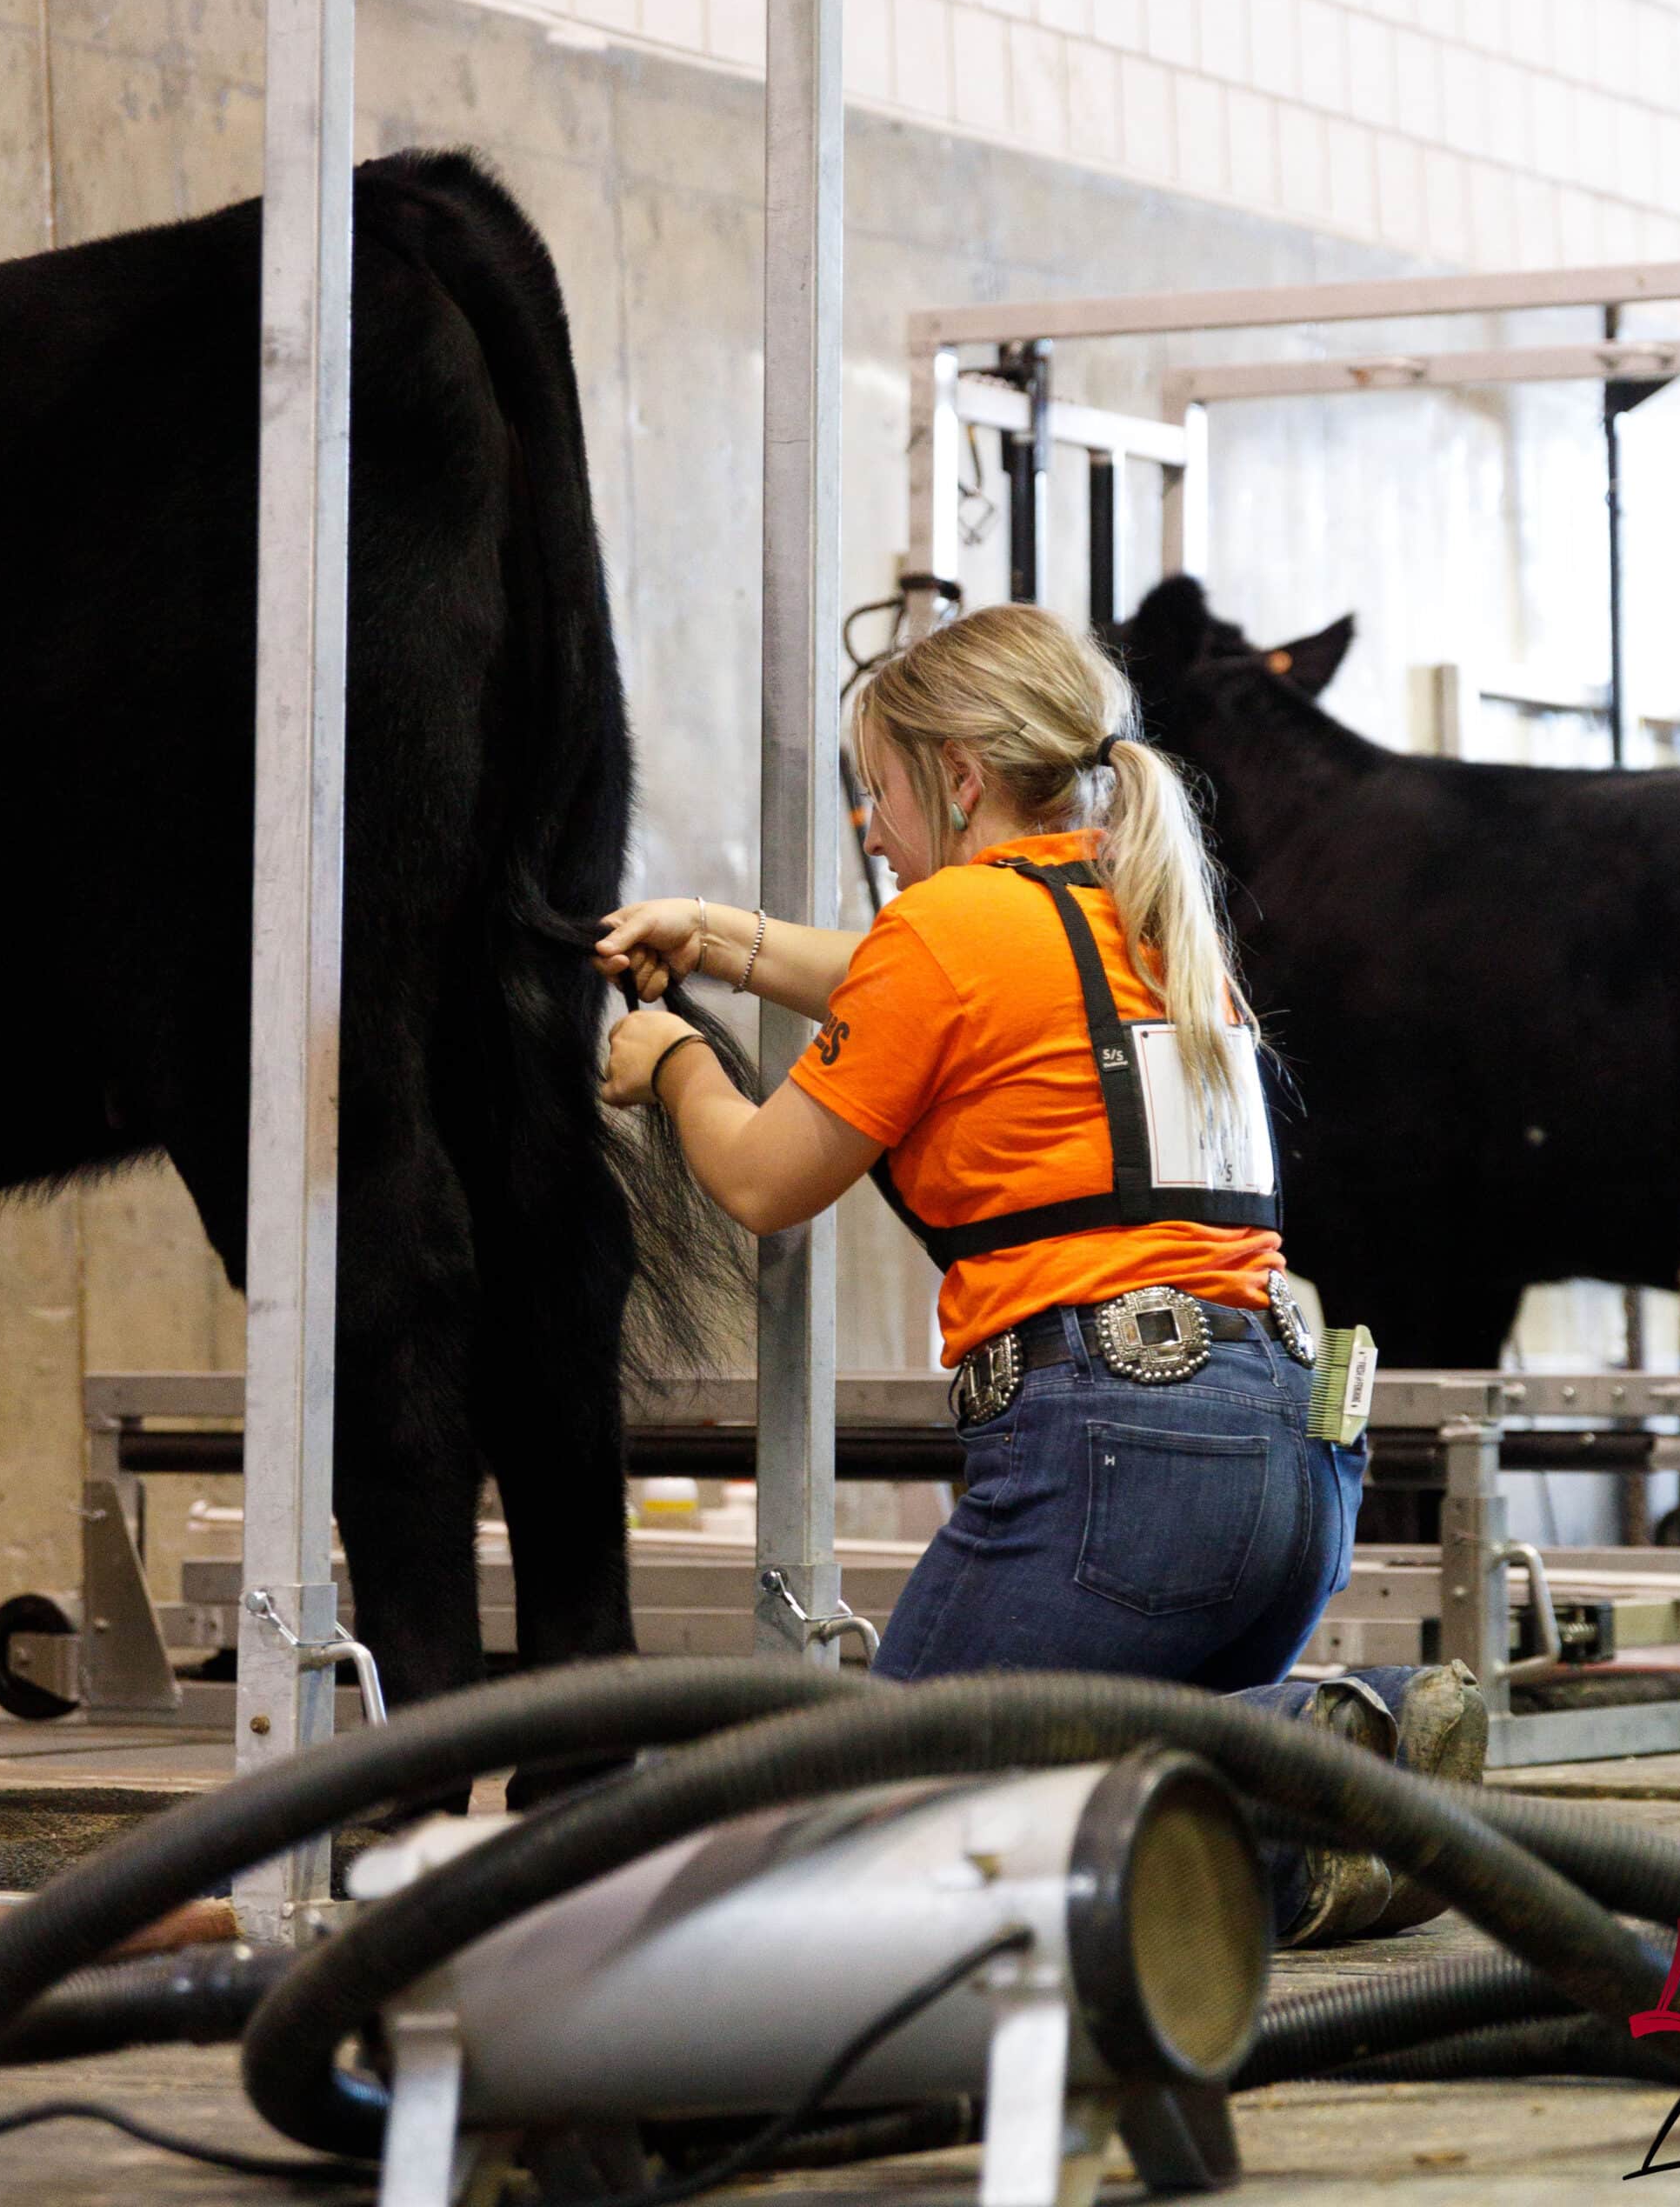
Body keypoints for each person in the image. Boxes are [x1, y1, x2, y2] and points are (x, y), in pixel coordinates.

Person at [596, 602, 1483, 1944]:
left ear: (958, 777)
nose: (872, 830)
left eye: (880, 792)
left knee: (876, 1819)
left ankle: (1305, 1760)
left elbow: (765, 1179)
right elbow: (906, 989)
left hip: (1118, 1464)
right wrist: (719, 936)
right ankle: (1290, 1787)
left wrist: (670, 1062)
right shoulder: (1147, 920)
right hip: (1292, 1461)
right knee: (1080, 1816)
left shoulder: (946, 931)